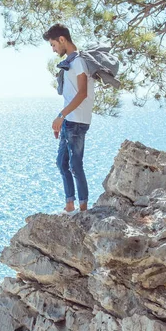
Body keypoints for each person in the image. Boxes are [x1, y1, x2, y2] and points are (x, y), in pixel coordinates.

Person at [43, 23, 95, 214]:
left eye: (53, 44)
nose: (53, 49)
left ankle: (83, 209)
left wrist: (61, 115)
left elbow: (82, 93)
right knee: (62, 163)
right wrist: (62, 120)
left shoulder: (79, 62)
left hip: (77, 121)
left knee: (75, 164)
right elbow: (71, 94)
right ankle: (69, 204)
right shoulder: (70, 63)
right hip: (69, 120)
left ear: (62, 39)